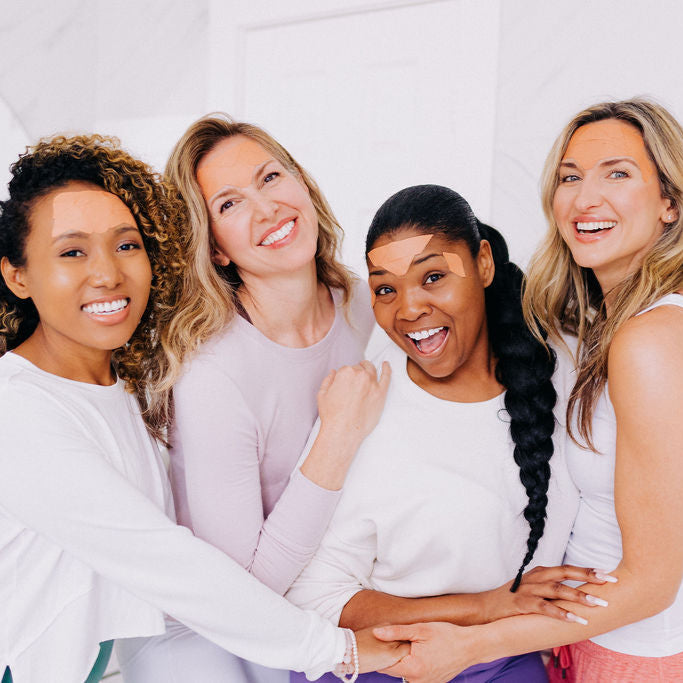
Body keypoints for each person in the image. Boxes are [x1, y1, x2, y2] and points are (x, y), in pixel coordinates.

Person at [0, 134, 407, 683]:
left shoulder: (123, 387)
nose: (108, 273)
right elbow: (168, 564)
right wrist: (340, 652)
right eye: (72, 251)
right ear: (16, 275)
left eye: (127, 245)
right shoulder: (20, 413)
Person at [374, 99, 683, 683]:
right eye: (571, 177)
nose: (586, 198)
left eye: (618, 173)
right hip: (585, 641)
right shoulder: (602, 331)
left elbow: (652, 585)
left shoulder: (650, 340)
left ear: (670, 201)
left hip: (638, 657)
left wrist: (472, 645)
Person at [286, 184, 615, 682]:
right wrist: (486, 606)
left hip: (507, 659)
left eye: (434, 276)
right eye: (384, 288)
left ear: (483, 263)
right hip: (384, 668)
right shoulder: (363, 405)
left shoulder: (565, 373)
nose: (408, 309)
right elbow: (315, 594)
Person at [115, 115, 392, 682]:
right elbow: (243, 592)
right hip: (210, 624)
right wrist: (336, 437)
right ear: (214, 248)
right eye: (230, 204)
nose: (267, 209)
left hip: (322, 595)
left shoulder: (371, 311)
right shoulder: (214, 370)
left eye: (271, 177)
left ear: (304, 187)